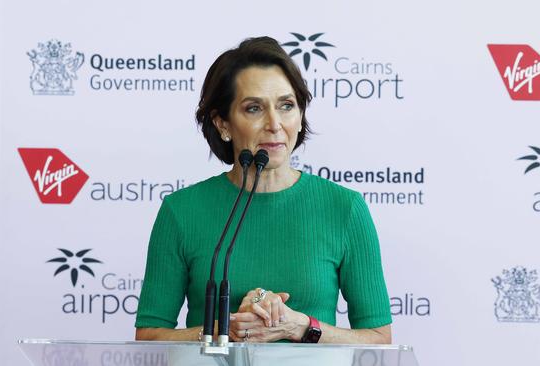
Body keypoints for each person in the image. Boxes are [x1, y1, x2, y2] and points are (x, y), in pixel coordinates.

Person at [135, 36, 392, 344]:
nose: (275, 123)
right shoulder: (182, 211)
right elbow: (149, 338)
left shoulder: (344, 208)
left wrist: (300, 326)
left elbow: (379, 340)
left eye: (286, 106)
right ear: (223, 124)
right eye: (254, 108)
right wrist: (224, 331)